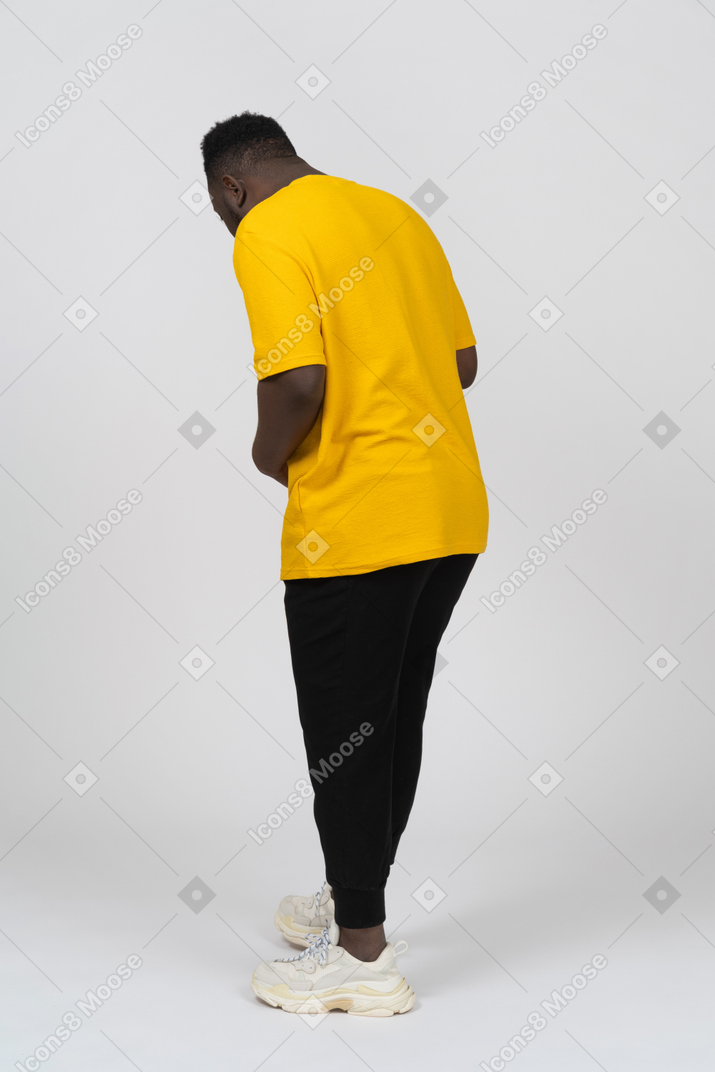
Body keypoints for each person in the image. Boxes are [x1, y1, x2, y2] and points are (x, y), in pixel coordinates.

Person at [201, 111, 489, 1016]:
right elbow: (464, 362)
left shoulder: (266, 229)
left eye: (220, 209)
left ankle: (361, 958)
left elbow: (298, 383)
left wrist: (265, 453)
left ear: (230, 187)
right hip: (449, 511)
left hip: (356, 526)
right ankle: (351, 889)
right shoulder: (394, 215)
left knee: (343, 734)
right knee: (389, 717)